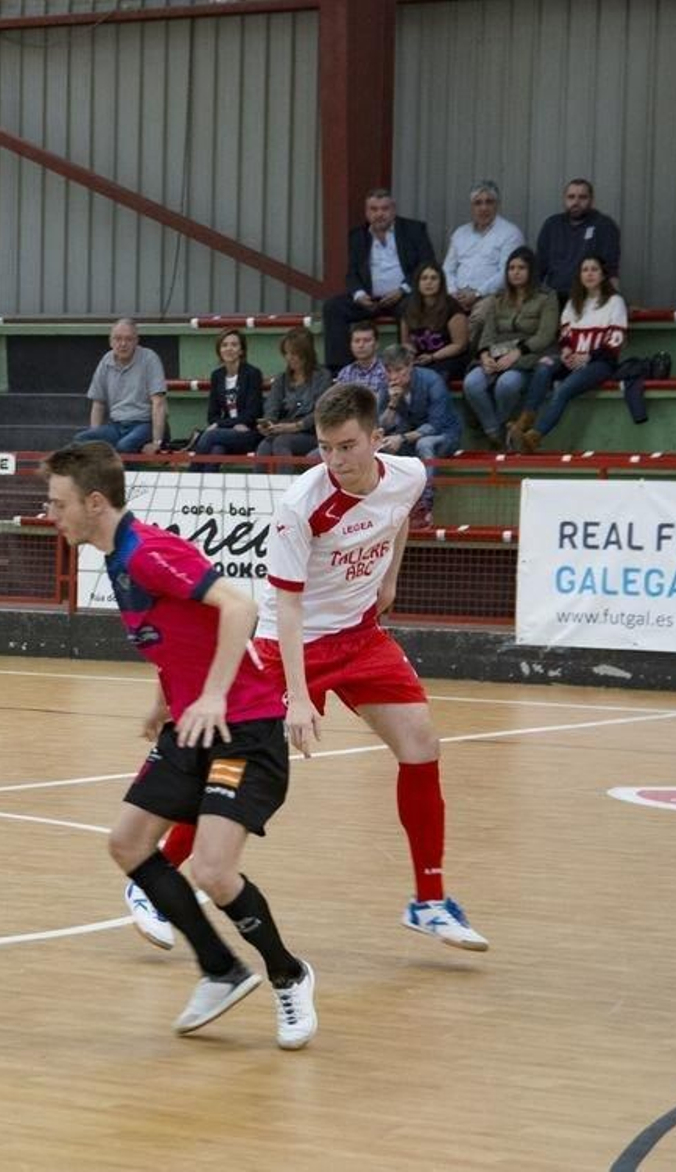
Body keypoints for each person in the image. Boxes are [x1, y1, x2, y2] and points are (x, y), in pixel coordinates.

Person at [127, 383, 490, 954]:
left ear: (376, 439)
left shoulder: (410, 474)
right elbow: (288, 607)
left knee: (422, 744)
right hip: (286, 645)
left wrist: (390, 577)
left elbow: (397, 519)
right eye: (325, 448)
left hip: (361, 637)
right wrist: (297, 696)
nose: (336, 460)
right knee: (231, 764)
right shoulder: (302, 506)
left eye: (347, 446)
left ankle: (429, 902)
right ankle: (155, 880)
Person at [43, 441, 316, 1050]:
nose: (51, 513)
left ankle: (289, 975)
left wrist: (215, 694)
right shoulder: (115, 557)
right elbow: (176, 636)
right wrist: (167, 699)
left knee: (215, 871)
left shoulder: (146, 554)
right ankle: (220, 969)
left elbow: (239, 607)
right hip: (189, 726)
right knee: (128, 844)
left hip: (243, 727)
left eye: (58, 503)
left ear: (93, 502)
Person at [513, 255, 628, 453]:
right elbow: (565, 333)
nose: (589, 274)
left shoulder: (615, 301)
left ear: (602, 275)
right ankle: (525, 419)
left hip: (600, 363)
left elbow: (615, 341)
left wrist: (589, 356)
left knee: (563, 389)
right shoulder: (574, 302)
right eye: (585, 270)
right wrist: (566, 350)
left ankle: (534, 437)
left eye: (594, 269)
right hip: (573, 357)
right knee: (544, 365)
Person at [320, 189, 435, 371]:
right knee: (333, 307)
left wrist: (403, 289)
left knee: (414, 306)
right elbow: (352, 273)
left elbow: (427, 264)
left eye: (384, 209)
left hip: (403, 297)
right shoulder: (357, 236)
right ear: (367, 213)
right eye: (374, 209)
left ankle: (407, 365)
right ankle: (340, 369)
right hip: (369, 299)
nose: (379, 214)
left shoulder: (414, 230)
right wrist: (359, 295)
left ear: (393, 210)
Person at [461, 247, 559, 448]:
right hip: (496, 354)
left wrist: (518, 352)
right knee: (472, 383)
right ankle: (495, 431)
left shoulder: (546, 297)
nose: (515, 272)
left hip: (527, 357)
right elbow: (488, 331)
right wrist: (485, 355)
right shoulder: (498, 298)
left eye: (521, 267)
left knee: (506, 384)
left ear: (531, 270)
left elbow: (545, 335)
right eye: (511, 267)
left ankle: (499, 431)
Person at [379, 345, 462, 527]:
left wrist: (401, 438)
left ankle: (425, 506)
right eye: (389, 371)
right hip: (411, 435)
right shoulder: (386, 386)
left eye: (399, 370)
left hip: (445, 435)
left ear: (410, 366)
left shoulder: (432, 380)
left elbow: (435, 426)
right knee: (381, 447)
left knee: (424, 444)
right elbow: (381, 426)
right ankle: (389, 508)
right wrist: (392, 403)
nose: (394, 377)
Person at [70, 318, 168, 454]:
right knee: (80, 441)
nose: (123, 344)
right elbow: (98, 403)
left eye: (128, 339)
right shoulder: (106, 361)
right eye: (118, 339)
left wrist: (157, 442)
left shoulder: (149, 359)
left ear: (136, 341)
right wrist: (95, 443)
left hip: (144, 424)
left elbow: (159, 403)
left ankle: (129, 476)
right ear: (110, 342)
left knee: (124, 447)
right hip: (116, 426)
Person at [442, 181, 525, 317]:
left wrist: (477, 294)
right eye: (478, 203)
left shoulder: (510, 233)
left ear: (497, 205)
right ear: (471, 207)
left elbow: (507, 273)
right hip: (457, 296)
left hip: (491, 296)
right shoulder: (460, 233)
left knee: (478, 317)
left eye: (489, 202)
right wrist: (453, 293)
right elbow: (447, 269)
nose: (483, 208)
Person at [534, 179, 621, 301]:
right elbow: (539, 266)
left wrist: (614, 301)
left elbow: (611, 269)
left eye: (582, 197)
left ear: (591, 200)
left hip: (590, 297)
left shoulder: (604, 225)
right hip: (554, 297)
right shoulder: (552, 225)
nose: (576, 202)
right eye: (571, 197)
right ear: (564, 199)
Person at [189, 328, 264, 467]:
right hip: (226, 434)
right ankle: (206, 486)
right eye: (224, 345)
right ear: (219, 351)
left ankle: (191, 479)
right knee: (216, 450)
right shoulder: (217, 376)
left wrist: (220, 424)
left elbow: (252, 414)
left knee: (209, 435)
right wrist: (229, 425)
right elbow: (212, 415)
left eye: (234, 345)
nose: (229, 349)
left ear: (241, 350)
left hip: (248, 433)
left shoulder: (252, 374)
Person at [254, 327, 329, 463]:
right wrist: (268, 424)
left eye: (294, 353)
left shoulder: (322, 377)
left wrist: (296, 426)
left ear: (306, 353)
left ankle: (287, 483)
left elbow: (321, 412)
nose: (289, 358)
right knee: (264, 447)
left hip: (311, 433)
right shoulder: (281, 379)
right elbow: (272, 406)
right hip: (283, 430)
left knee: (282, 443)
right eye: (286, 353)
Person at [398, 261, 469, 382]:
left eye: (433, 278)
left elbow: (459, 345)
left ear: (441, 282)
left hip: (448, 359)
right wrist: (410, 352)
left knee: (430, 379)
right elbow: (406, 342)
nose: (428, 282)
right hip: (421, 359)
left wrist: (433, 357)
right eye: (424, 278)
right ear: (418, 283)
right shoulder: (407, 306)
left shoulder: (452, 306)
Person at [335, 321, 388, 396]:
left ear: (376, 344)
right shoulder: (345, 373)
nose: (361, 345)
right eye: (357, 341)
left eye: (366, 340)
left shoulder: (386, 371)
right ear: (351, 345)